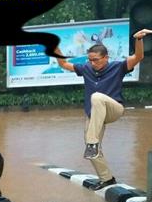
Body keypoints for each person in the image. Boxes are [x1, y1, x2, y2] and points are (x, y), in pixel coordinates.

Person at [55, 28, 151, 190]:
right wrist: (56, 50)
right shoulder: (86, 69)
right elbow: (64, 64)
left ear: (106, 57)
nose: (93, 63)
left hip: (114, 109)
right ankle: (107, 178)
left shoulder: (118, 67)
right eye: (90, 60)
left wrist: (138, 40)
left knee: (97, 97)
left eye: (96, 60)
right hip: (94, 115)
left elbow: (138, 57)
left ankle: (93, 143)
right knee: (91, 148)